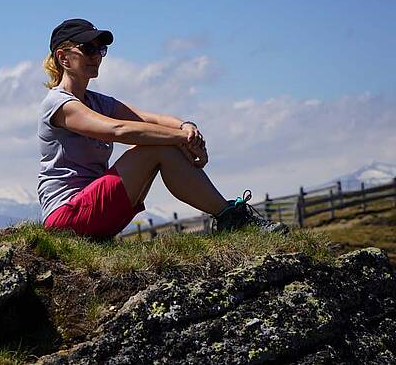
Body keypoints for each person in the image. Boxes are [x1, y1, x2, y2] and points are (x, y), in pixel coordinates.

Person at [37, 18, 288, 239]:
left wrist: (186, 127)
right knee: (157, 149)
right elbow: (119, 130)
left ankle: (230, 217)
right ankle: (231, 218)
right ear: (63, 57)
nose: (96, 56)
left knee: (160, 143)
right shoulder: (59, 104)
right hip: (66, 217)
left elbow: (149, 119)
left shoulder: (96, 101)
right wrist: (180, 139)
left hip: (93, 210)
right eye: (88, 48)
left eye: (100, 49)